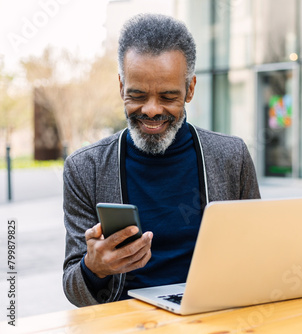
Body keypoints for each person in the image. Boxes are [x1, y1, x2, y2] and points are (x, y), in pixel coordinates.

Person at [62, 13, 260, 307]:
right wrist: (95, 268)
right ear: (121, 87)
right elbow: (74, 290)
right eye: (137, 95)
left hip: (214, 314)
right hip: (125, 321)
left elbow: (259, 254)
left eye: (168, 96)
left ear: (190, 89)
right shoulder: (84, 168)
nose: (152, 110)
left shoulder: (232, 157)